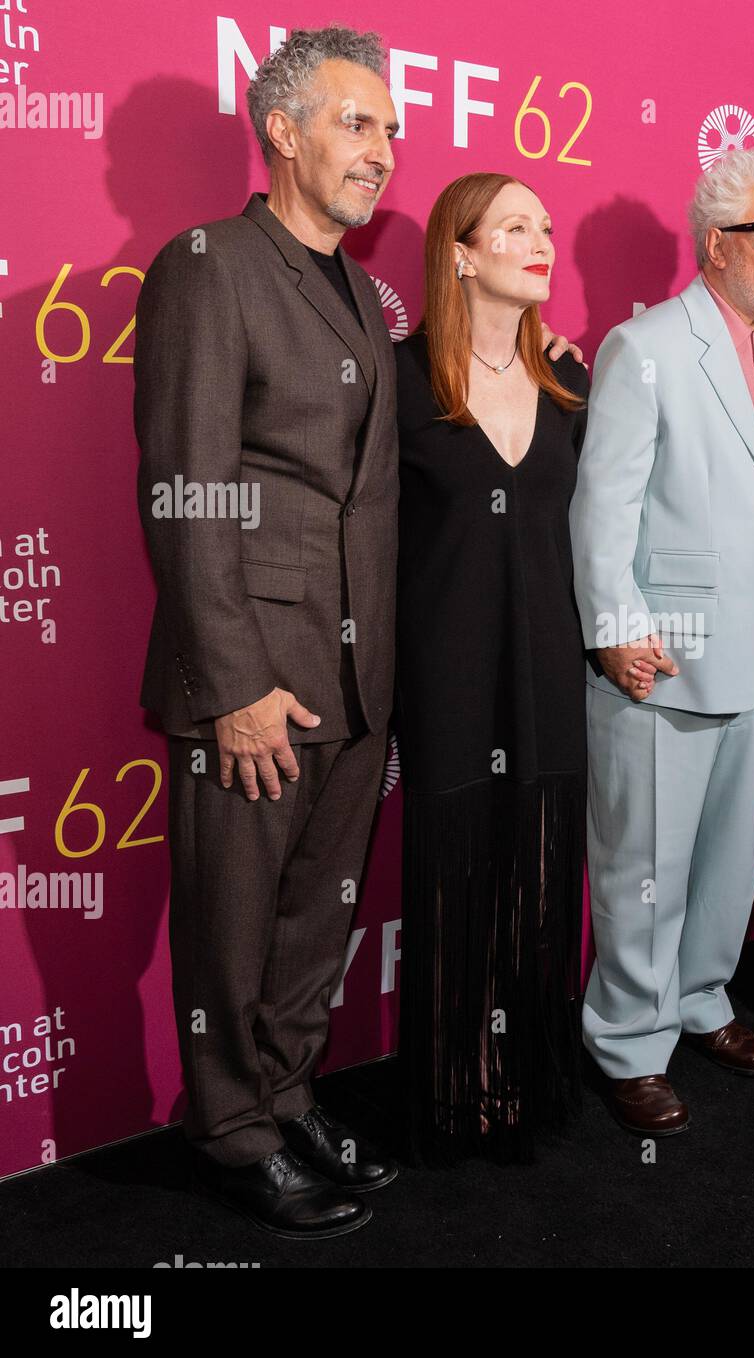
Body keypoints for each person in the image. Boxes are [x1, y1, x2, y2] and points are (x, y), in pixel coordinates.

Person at [134, 26, 402, 1238]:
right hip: (256, 666)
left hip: (356, 671)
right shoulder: (210, 264)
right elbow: (183, 487)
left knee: (316, 910)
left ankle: (289, 1092)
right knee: (232, 913)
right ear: (282, 130)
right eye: (358, 124)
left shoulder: (359, 287)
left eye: (390, 129)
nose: (382, 151)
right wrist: (230, 680)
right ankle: (230, 1128)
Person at [570, 145, 754, 1136]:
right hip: (663, 657)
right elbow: (603, 507)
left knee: (725, 857)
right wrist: (615, 632)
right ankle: (627, 1040)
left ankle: (703, 997)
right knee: (644, 864)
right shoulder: (644, 348)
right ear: (716, 241)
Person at [392, 173, 590, 1164]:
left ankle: (529, 1075)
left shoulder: (568, 381)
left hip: (551, 666)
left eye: (546, 227)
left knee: (540, 879)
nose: (539, 239)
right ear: (460, 252)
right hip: (446, 672)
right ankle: (452, 1081)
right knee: (455, 877)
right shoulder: (399, 380)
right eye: (514, 225)